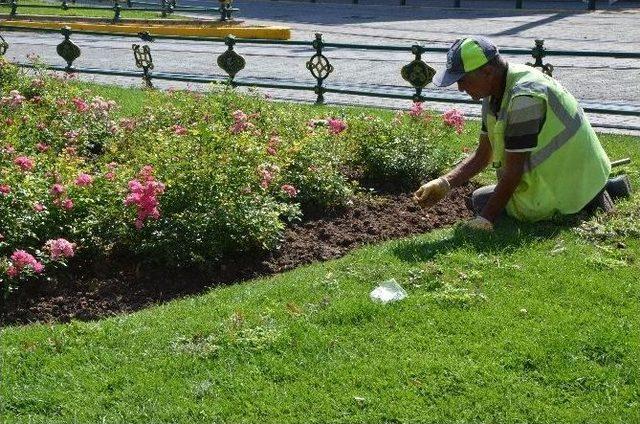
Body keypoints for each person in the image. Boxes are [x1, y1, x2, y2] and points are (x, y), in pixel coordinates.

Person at [413, 36, 629, 231]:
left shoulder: (525, 97)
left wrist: (486, 219)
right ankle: (603, 189)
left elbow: (514, 172)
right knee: (480, 200)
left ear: (487, 71)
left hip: (563, 182)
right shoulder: (495, 89)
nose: (460, 88)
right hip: (564, 173)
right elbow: (483, 154)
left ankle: (590, 197)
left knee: (484, 205)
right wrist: (444, 182)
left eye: (462, 80)